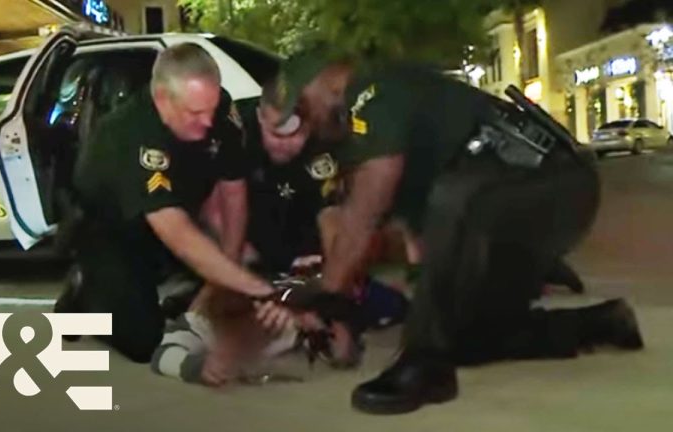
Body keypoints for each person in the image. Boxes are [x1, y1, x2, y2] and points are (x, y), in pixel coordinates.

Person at [266, 49, 644, 414]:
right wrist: (399, 311)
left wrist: (330, 293)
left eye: (301, 108)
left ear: (329, 81)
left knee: (457, 193)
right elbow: (417, 236)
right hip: (515, 211)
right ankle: (601, 323)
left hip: (555, 183)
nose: (307, 122)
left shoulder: (374, 92)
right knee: (463, 336)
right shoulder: (366, 142)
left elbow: (363, 214)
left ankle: (424, 365)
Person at [54, 43, 292, 363]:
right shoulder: (130, 134)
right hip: (110, 229)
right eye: (196, 114)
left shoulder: (217, 107)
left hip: (175, 210)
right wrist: (256, 289)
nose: (209, 122)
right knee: (143, 342)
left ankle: (184, 298)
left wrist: (228, 272)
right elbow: (177, 233)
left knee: (238, 265)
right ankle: (83, 296)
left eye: (211, 109)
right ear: (163, 99)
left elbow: (232, 190)